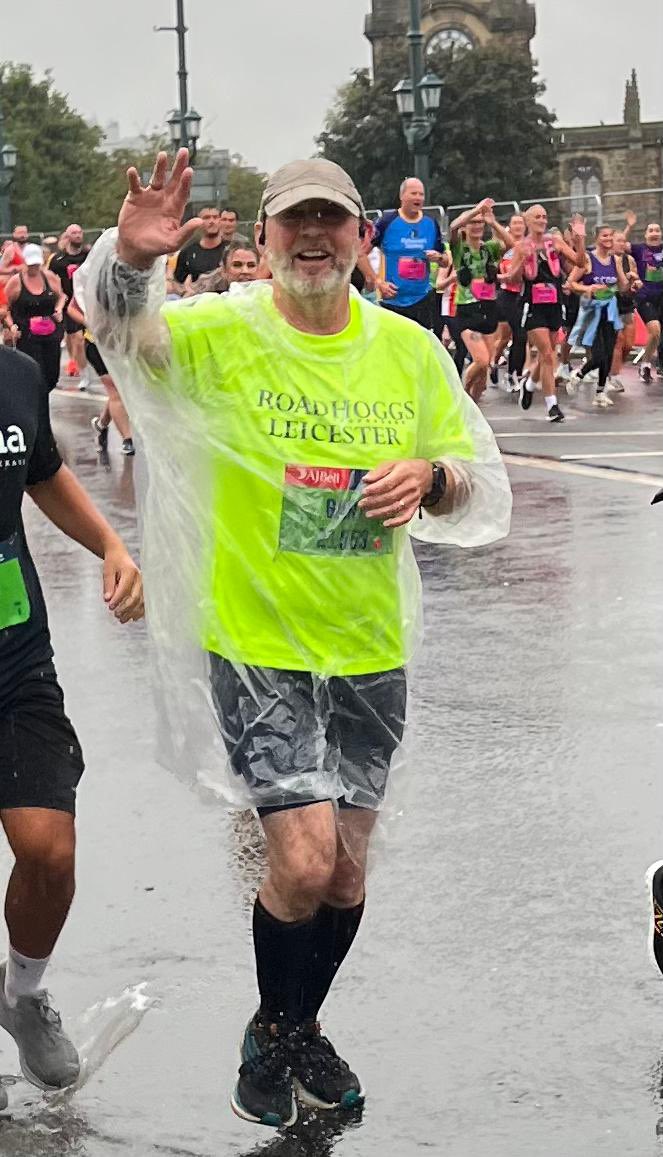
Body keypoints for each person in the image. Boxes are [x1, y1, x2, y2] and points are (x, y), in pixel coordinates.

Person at [84, 149, 511, 1130]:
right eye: (294, 221)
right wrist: (130, 260)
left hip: (369, 647)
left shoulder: (406, 350)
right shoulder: (222, 333)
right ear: (268, 236)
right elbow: (118, 332)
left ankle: (285, 1028)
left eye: (332, 219)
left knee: (350, 869)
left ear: (361, 236)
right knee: (307, 861)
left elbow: (481, 487)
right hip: (258, 642)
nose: (313, 236)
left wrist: (428, 479)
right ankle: (284, 1032)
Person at [0, 344, 143, 1101]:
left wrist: (111, 545)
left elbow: (43, 470)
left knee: (49, 851)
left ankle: (22, 995)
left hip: (14, 654)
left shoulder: (17, 374)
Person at [508, 205, 585, 423]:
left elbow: (579, 263)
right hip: (532, 305)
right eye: (537, 217)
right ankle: (552, 406)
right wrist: (522, 263)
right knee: (548, 354)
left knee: (548, 353)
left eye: (544, 216)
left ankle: (530, 384)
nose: (542, 220)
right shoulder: (521, 246)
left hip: (554, 302)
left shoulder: (555, 242)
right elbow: (513, 279)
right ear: (527, 221)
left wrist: (579, 240)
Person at [448, 199, 513, 402]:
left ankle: (472, 408)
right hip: (467, 310)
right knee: (482, 360)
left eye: (480, 223)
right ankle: (460, 397)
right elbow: (453, 226)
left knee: (483, 379)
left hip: (488, 308)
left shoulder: (489, 248)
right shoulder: (459, 248)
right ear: (466, 227)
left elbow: (512, 245)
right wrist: (476, 210)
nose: (477, 226)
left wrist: (492, 222)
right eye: (473, 222)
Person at [566, 226, 629, 406]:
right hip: (591, 312)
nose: (608, 239)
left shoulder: (615, 260)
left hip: (610, 311)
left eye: (611, 235)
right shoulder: (588, 258)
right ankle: (578, 375)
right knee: (600, 355)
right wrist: (588, 288)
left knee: (609, 354)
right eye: (605, 236)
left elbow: (622, 286)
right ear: (597, 238)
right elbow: (571, 283)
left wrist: (631, 282)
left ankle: (600, 392)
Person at [370, 177, 444, 329]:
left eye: (421, 194)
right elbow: (360, 251)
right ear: (402, 196)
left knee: (419, 348)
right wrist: (378, 282)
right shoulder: (387, 221)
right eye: (413, 193)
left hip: (422, 299)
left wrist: (439, 258)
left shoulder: (430, 223)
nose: (418, 198)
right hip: (393, 299)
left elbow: (446, 260)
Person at [67, 293, 135, 455]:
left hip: (122, 342)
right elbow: (72, 308)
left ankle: (101, 424)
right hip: (97, 344)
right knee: (116, 391)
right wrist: (89, 322)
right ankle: (127, 439)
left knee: (120, 391)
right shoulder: (89, 276)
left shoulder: (127, 275)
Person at [4, 244, 66, 392]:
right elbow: (4, 307)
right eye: (31, 264)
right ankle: (38, 412)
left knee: (51, 376)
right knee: (33, 375)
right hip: (26, 334)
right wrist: (11, 325)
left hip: (50, 332)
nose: (34, 268)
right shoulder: (16, 281)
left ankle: (42, 402)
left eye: (36, 264)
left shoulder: (49, 277)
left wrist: (59, 308)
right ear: (25, 262)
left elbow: (61, 296)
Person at [48, 225, 91, 381]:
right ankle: (83, 373)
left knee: (89, 340)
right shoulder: (58, 260)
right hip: (70, 305)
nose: (78, 235)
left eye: (80, 232)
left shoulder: (89, 255)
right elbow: (51, 280)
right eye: (74, 233)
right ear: (67, 236)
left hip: (89, 302)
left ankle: (86, 363)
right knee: (77, 338)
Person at [623, 216, 663, 382]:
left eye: (657, 230)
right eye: (650, 230)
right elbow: (620, 243)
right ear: (645, 235)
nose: (654, 233)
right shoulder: (639, 249)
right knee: (654, 329)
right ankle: (645, 364)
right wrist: (629, 227)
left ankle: (658, 365)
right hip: (644, 295)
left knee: (660, 332)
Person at [490, 213, 527, 391]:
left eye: (521, 223)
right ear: (510, 227)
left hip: (524, 295)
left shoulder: (529, 245)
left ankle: (515, 373)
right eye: (515, 223)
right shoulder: (503, 246)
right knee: (508, 336)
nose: (519, 226)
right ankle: (496, 363)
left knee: (521, 336)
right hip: (507, 295)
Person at [173, 205, 242, 291]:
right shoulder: (187, 252)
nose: (211, 221)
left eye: (215, 217)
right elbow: (177, 282)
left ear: (220, 221)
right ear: (199, 222)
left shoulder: (232, 250)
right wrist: (184, 291)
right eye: (206, 218)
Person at [608, 229, 641, 391]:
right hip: (612, 306)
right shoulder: (607, 261)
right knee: (618, 340)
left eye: (623, 241)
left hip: (627, 305)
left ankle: (611, 370)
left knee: (628, 345)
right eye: (618, 240)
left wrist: (636, 283)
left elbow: (636, 281)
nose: (622, 244)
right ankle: (612, 377)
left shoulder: (630, 259)